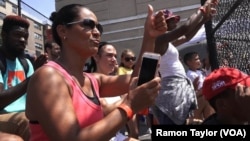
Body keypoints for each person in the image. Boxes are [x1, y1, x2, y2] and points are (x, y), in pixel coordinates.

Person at [25, 4, 167, 141]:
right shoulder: (49, 77)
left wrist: (149, 36)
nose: (97, 32)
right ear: (63, 31)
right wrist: (129, 106)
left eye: (98, 27)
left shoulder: (93, 80)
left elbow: (137, 80)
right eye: (88, 24)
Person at [152, 0, 218, 125]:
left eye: (175, 21)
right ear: (162, 24)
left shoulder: (167, 43)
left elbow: (187, 36)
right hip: (171, 91)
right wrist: (203, 9)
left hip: (177, 89)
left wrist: (203, 20)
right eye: (171, 21)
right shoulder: (159, 40)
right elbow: (185, 28)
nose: (174, 24)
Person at [0, 15, 47, 141]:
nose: (22, 40)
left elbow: (35, 97)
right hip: (4, 116)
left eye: (25, 37)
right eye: (17, 35)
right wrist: (33, 78)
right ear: (4, 35)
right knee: (26, 122)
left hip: (24, 114)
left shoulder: (25, 63)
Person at [88, 41, 138, 141]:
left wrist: (134, 134)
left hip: (116, 137)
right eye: (109, 55)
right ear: (96, 57)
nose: (114, 60)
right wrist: (130, 99)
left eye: (115, 56)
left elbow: (130, 114)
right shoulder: (88, 82)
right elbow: (104, 110)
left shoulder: (116, 82)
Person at [183, 51, 215, 124]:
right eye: (196, 59)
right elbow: (197, 91)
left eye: (199, 58)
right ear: (189, 62)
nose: (199, 61)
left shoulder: (200, 72)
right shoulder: (190, 75)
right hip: (197, 101)